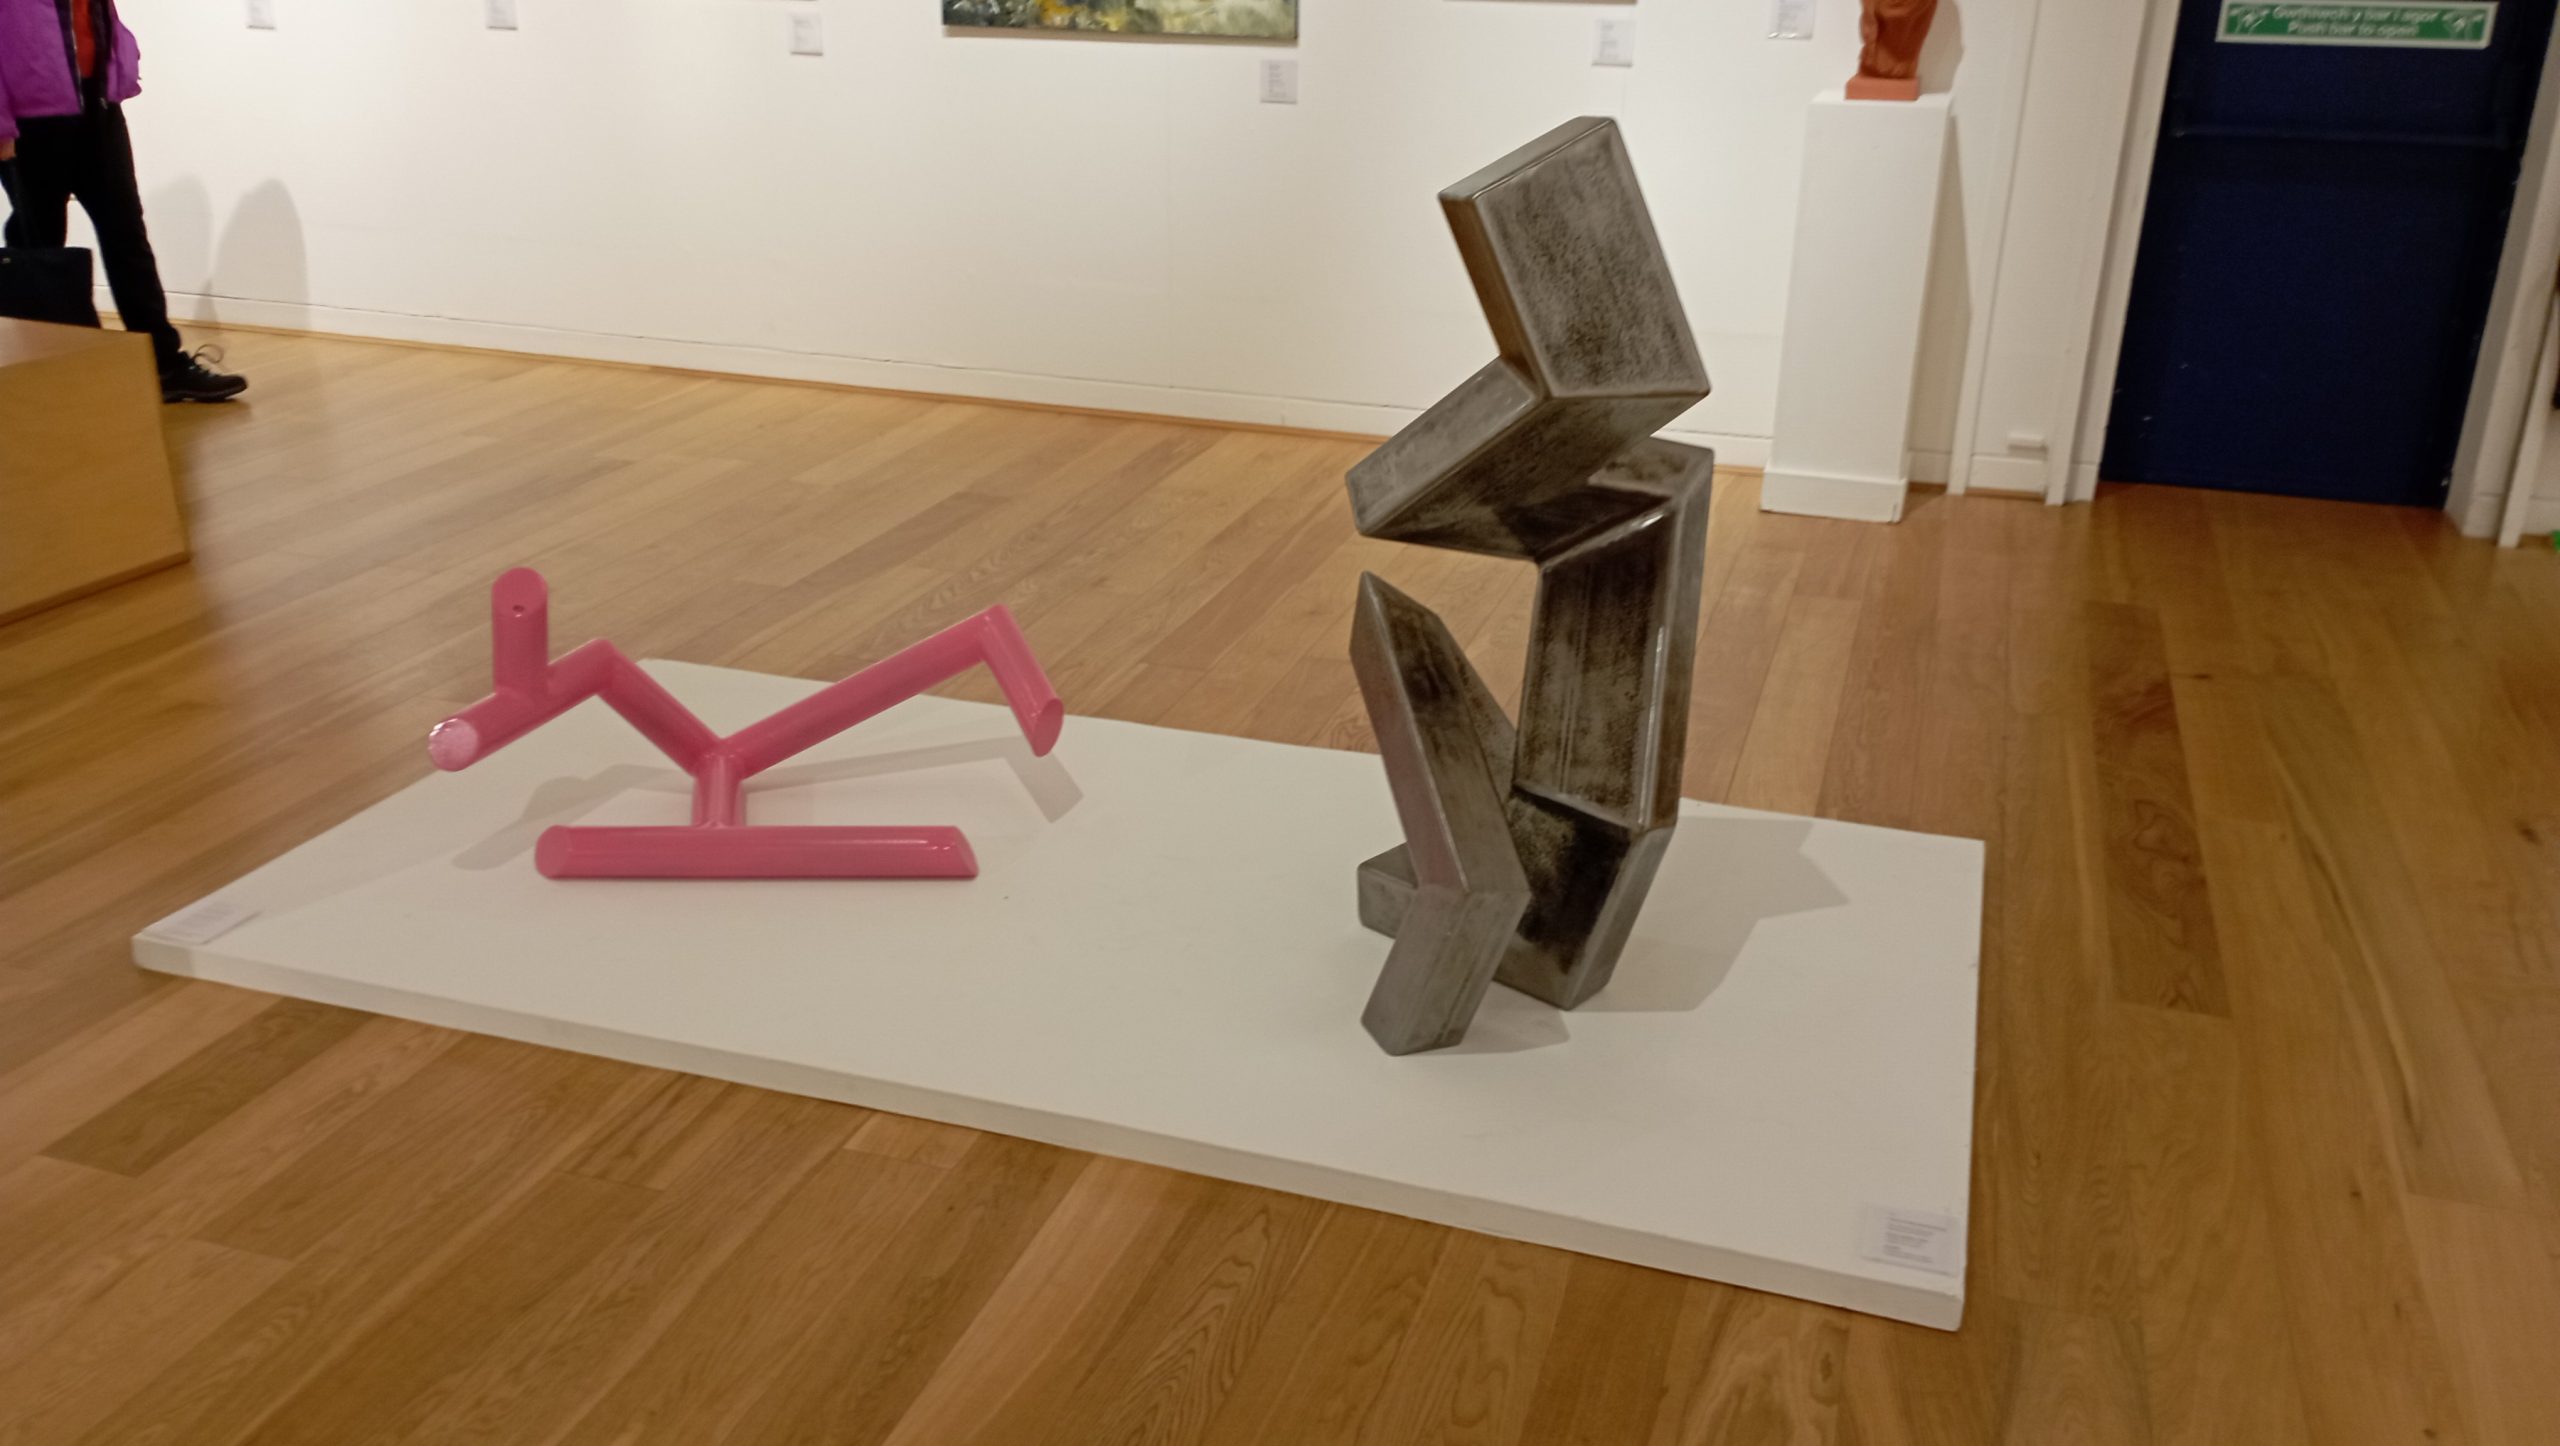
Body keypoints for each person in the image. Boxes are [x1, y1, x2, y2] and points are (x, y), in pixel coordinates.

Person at [1, 0, 245, 401]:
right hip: (32, 125)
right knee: (38, 249)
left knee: (127, 237)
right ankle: (43, 373)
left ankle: (164, 365)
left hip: (98, 109)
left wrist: (118, 71)